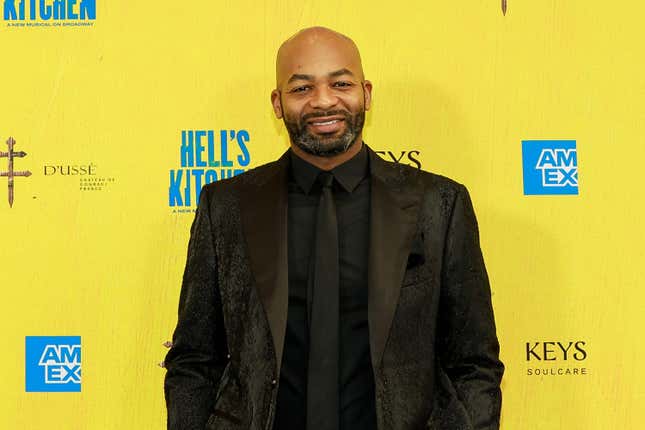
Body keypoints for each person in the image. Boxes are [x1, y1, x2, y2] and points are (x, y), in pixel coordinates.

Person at [163, 26, 504, 430]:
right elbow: (194, 359)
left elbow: (473, 362)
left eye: (341, 83)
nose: (324, 101)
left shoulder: (439, 204)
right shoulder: (227, 206)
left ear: (367, 93)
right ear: (277, 103)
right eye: (301, 88)